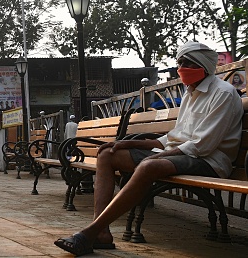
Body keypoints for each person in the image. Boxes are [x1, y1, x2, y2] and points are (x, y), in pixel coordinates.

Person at [54, 41, 243, 256]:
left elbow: (201, 145)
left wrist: (157, 156)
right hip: (180, 154)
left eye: (187, 63)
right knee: (107, 154)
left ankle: (89, 233)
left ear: (202, 65)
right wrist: (127, 143)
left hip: (210, 161)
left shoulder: (223, 94)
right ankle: (102, 233)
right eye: (179, 63)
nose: (181, 68)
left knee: (148, 166)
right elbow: (171, 139)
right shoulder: (191, 93)